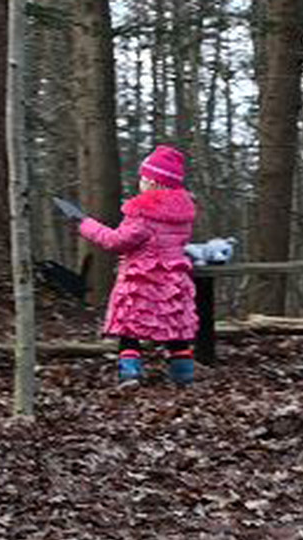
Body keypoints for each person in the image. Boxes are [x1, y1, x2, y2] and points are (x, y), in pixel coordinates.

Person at [54, 145, 199, 388]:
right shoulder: (183, 216)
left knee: (130, 330)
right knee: (176, 331)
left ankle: (129, 374)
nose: (140, 183)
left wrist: (84, 222)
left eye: (144, 178)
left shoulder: (143, 214)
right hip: (174, 283)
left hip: (143, 281)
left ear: (154, 183)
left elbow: (115, 241)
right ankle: (183, 376)